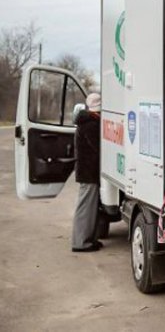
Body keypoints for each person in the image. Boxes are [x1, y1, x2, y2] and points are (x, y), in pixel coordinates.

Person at [71, 93, 103, 252]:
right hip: (88, 172)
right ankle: (80, 243)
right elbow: (98, 148)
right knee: (85, 208)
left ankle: (89, 239)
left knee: (89, 207)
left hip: (87, 171)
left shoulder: (86, 121)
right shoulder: (91, 124)